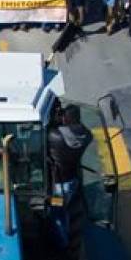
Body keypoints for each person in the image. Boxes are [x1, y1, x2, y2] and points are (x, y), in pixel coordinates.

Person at [47, 105, 93, 249]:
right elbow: (81, 130)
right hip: (72, 181)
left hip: (57, 184)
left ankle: (60, 244)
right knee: (65, 211)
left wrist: (57, 119)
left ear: (65, 119)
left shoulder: (55, 137)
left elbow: (47, 131)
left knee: (57, 215)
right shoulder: (86, 136)